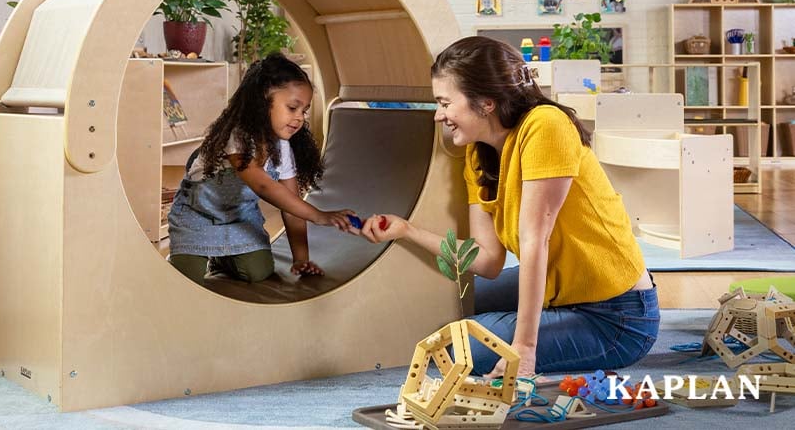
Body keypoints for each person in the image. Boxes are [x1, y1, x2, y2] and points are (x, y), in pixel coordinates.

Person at [361, 36, 659, 378]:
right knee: (443, 301)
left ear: (485, 103)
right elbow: (486, 260)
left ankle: (527, 335)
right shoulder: (477, 153)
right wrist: (407, 231)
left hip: (616, 317)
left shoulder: (546, 125)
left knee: (456, 346)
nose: (438, 116)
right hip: (557, 289)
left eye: (445, 103)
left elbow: (535, 242)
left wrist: (524, 350)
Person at [168, 53, 356, 286]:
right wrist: (319, 216)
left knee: (258, 271)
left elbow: (291, 205)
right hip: (198, 217)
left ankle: (222, 259)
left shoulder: (283, 147)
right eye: (292, 108)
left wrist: (301, 259)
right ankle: (191, 255)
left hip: (239, 217)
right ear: (262, 101)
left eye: (304, 111)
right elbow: (263, 184)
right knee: (185, 279)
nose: (299, 118)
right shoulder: (237, 136)